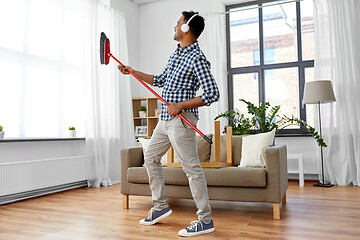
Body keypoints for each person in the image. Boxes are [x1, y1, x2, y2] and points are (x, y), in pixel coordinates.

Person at [118, 10, 220, 237]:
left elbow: (213, 93)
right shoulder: (176, 54)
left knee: (192, 169)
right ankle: (161, 206)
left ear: (186, 28)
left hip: (182, 121)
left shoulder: (197, 58)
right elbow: (160, 80)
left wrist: (181, 105)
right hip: (165, 120)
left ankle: (205, 220)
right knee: (151, 157)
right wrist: (133, 72)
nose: (174, 27)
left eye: (178, 23)